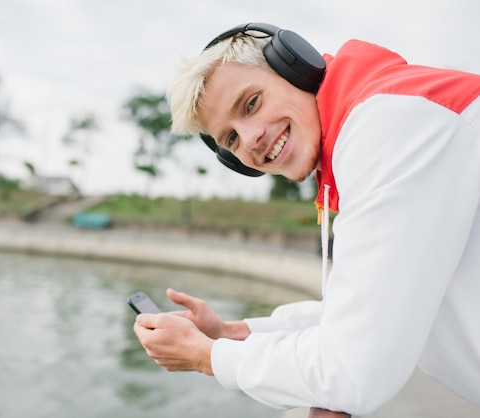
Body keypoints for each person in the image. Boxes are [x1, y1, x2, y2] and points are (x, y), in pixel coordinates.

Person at [133, 22, 480, 417]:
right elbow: (368, 306)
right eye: (230, 139)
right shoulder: (377, 126)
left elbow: (352, 374)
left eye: (251, 104)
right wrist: (233, 333)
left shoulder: (389, 128)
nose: (250, 140)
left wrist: (206, 356)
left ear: (297, 69)